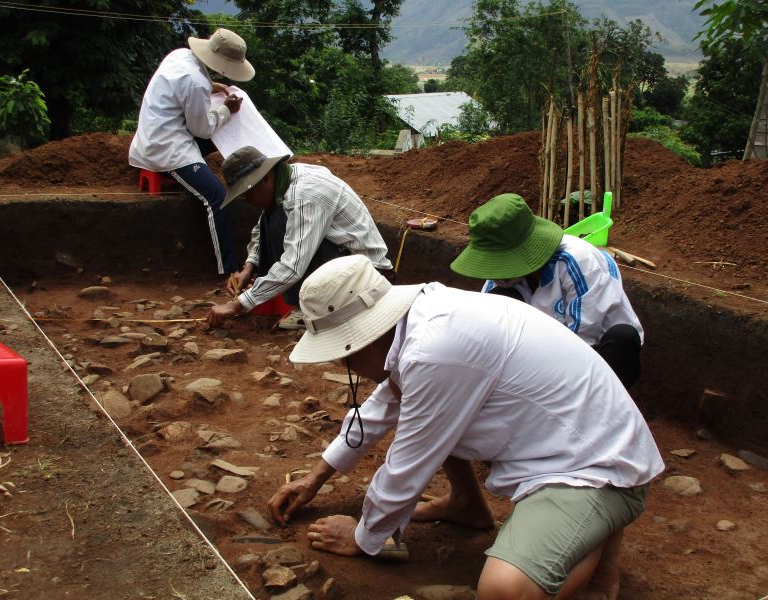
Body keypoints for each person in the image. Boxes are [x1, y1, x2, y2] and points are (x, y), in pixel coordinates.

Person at [267, 254, 664, 600]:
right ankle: (467, 505)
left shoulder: (434, 351)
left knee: (504, 592)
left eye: (342, 354)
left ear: (361, 339)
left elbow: (408, 462)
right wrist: (317, 475)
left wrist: (363, 537)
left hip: (594, 468)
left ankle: (599, 544)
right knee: (428, 410)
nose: (343, 365)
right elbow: (389, 400)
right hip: (567, 440)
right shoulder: (424, 316)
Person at [451, 193, 644, 389]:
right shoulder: (501, 282)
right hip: (543, 355)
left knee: (622, 338)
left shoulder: (577, 262)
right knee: (498, 305)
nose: (495, 273)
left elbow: (582, 344)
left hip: (595, 351)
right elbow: (488, 338)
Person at [206, 146, 394, 330]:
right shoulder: (285, 181)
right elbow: (260, 228)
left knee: (280, 220)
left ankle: (309, 309)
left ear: (265, 179)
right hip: (346, 262)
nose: (247, 200)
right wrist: (249, 267)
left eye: (248, 193)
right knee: (272, 217)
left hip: (366, 277)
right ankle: (298, 301)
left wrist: (236, 305)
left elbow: (293, 265)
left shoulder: (305, 195)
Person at [129, 28, 255, 277]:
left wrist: (211, 86)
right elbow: (203, 129)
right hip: (168, 149)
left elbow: (186, 89)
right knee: (218, 199)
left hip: (155, 135)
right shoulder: (195, 82)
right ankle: (227, 270)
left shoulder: (180, 56)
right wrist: (227, 110)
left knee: (218, 138)